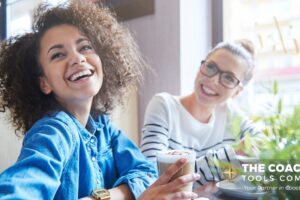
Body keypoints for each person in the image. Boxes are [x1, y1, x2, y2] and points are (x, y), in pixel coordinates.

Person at [0, 1, 200, 199]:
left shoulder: (103, 127)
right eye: (58, 54)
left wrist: (106, 197)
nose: (78, 58)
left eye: (85, 47)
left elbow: (146, 172)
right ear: (44, 83)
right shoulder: (53, 132)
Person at [141, 40, 262, 186]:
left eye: (229, 78)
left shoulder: (232, 115)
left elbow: (263, 146)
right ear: (201, 66)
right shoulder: (164, 106)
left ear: (237, 91)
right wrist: (230, 156)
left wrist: (189, 182)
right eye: (211, 67)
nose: (213, 80)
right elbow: (152, 179)